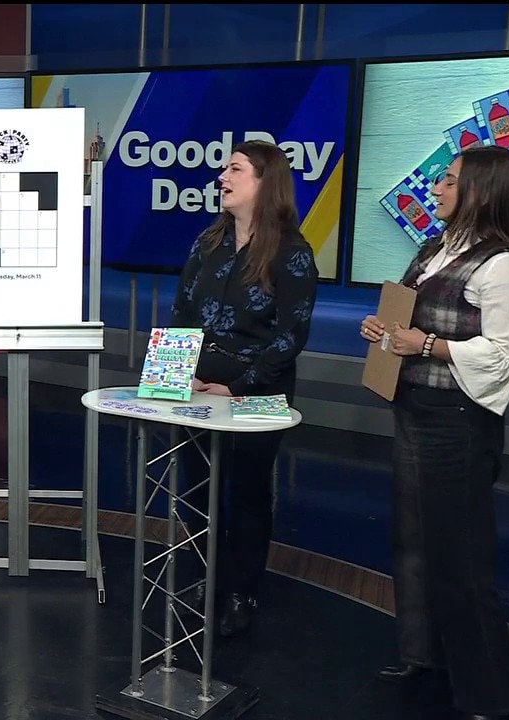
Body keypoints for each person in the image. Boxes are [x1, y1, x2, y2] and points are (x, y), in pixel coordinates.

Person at [361, 145, 509, 720]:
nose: (437, 188)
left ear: (482, 191)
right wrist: (386, 331)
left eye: (450, 180)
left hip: (458, 422)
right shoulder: (434, 250)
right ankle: (425, 656)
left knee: (460, 558)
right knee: (414, 542)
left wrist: (429, 345)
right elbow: (411, 324)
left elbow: (504, 356)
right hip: (413, 409)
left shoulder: (504, 266)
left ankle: (493, 696)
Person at [170, 140, 319, 637]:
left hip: (259, 392)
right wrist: (179, 376)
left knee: (248, 492)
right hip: (196, 391)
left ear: (264, 181)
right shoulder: (206, 243)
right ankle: (206, 580)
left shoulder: (292, 253)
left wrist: (236, 388)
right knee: (198, 489)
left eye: (234, 169)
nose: (222, 178)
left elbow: (291, 334)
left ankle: (242, 590)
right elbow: (182, 314)